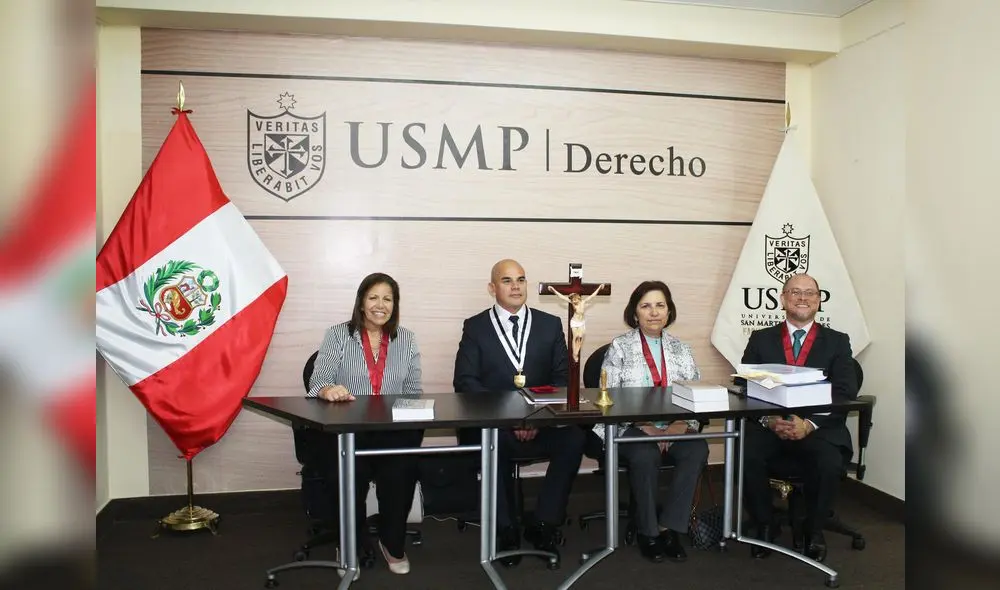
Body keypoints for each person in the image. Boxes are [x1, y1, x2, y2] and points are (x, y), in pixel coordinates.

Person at [453, 259, 585, 566]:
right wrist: (512, 419)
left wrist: (535, 419)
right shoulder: (476, 327)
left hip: (542, 423)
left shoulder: (549, 324)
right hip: (497, 425)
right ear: (492, 288)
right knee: (490, 444)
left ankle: (544, 524)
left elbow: (563, 380)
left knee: (575, 439)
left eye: (521, 280)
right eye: (507, 280)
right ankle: (505, 529)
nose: (516, 286)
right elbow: (465, 382)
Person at [307, 272, 424, 577]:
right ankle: (349, 546)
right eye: (373, 297)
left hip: (390, 431)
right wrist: (327, 389)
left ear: (395, 305)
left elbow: (413, 389)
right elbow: (318, 379)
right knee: (348, 475)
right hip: (348, 431)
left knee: (402, 471)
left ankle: (392, 543)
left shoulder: (406, 338)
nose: (380, 305)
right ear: (360, 303)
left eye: (388, 298)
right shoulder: (337, 334)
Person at [738, 273, 858, 563]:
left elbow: (845, 391)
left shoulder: (838, 342)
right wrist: (768, 420)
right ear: (783, 299)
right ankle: (765, 525)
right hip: (771, 427)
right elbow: (744, 385)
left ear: (818, 300)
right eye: (795, 292)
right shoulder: (761, 338)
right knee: (745, 452)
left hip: (817, 428)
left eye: (809, 293)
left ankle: (813, 531)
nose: (802, 297)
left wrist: (809, 424)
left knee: (828, 461)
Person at [596, 280, 709, 563]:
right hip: (631, 427)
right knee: (645, 455)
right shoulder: (620, 347)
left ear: (669, 311)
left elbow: (694, 393)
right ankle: (648, 533)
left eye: (660, 305)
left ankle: (668, 527)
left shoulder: (682, 349)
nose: (654, 312)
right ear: (635, 313)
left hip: (676, 426)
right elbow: (609, 396)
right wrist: (644, 425)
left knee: (696, 449)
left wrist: (680, 426)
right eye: (646, 306)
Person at [547, 284, 606, 363]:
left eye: (574, 300)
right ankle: (574, 354)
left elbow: (592, 296)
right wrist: (553, 289)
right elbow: (561, 296)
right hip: (574, 322)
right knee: (575, 337)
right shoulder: (572, 303)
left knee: (580, 337)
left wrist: (599, 288)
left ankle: (576, 352)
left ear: (577, 298)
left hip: (581, 322)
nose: (573, 301)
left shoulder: (583, 302)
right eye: (572, 300)